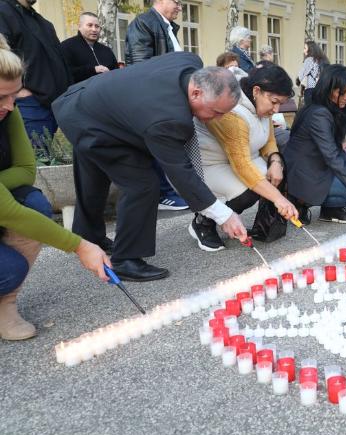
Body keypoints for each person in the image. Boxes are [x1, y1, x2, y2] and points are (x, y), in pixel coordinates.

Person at [53, 53, 247, 281]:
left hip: (86, 104)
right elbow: (180, 171)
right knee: (142, 184)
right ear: (196, 92)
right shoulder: (170, 119)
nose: (216, 119)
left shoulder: (188, 62)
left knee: (94, 172)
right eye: (216, 112)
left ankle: (88, 238)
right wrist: (223, 215)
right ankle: (126, 260)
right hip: (89, 117)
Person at [0, 35, 109, 340]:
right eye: (0, 98)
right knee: (7, 269)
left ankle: (4, 304)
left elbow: (25, 170)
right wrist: (80, 245)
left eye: (14, 94)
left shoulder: (8, 111)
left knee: (33, 203)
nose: (11, 106)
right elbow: (7, 210)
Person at [190, 64, 298, 251]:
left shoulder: (261, 105)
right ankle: (204, 221)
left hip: (241, 158)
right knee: (248, 189)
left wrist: (275, 160)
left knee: (271, 175)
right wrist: (279, 199)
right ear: (256, 90)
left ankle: (244, 221)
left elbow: (269, 138)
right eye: (274, 101)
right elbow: (242, 166)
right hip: (210, 164)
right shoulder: (234, 113)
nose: (276, 109)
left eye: (280, 103)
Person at [282, 64, 346, 224]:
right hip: (303, 175)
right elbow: (331, 157)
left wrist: (339, 142)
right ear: (329, 88)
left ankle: (330, 210)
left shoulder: (327, 107)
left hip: (316, 165)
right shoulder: (318, 113)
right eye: (342, 92)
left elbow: (325, 142)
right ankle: (300, 202)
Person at [125, 0, 189, 211]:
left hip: (167, 95)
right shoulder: (143, 23)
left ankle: (171, 191)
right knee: (156, 144)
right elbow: (142, 66)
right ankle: (163, 194)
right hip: (153, 97)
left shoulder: (167, 26)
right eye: (176, 1)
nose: (180, 6)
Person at [0, 0, 72, 147]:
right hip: (29, 104)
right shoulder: (4, 11)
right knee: (34, 161)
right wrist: (17, 91)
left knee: (44, 161)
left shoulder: (42, 22)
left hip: (53, 105)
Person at [60, 12, 118, 84]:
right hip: (80, 93)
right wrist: (93, 70)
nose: (94, 29)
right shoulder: (67, 46)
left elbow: (116, 72)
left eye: (97, 26)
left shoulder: (106, 50)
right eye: (90, 25)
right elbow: (64, 73)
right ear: (79, 26)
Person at [125, 0, 182, 65]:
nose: (180, 8)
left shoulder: (169, 26)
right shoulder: (143, 23)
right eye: (177, 2)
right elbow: (141, 67)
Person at [297, 41, 328, 106]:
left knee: (310, 111)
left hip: (311, 91)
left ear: (310, 49)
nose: (303, 51)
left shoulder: (309, 60)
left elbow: (300, 76)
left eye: (305, 48)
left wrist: (298, 81)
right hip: (322, 91)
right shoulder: (322, 60)